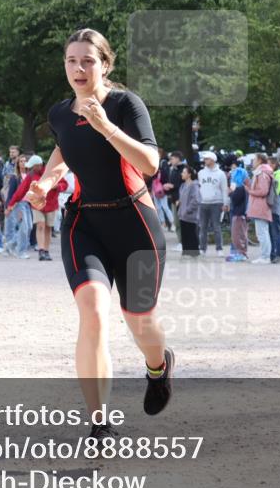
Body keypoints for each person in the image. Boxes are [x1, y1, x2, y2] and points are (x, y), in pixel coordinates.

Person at [24, 29, 171, 441]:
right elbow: (65, 147)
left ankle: (158, 368)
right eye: (71, 61)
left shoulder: (126, 105)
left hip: (136, 225)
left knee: (138, 319)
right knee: (92, 311)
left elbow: (150, 163)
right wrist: (48, 182)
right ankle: (100, 422)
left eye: (87, 60)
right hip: (84, 224)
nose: (79, 68)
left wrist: (105, 125)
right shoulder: (59, 114)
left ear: (105, 65)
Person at [9, 154, 66, 261]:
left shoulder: (52, 171)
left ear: (39, 165)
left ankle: (46, 250)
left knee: (48, 227)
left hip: (51, 204)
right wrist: (11, 203)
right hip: (37, 205)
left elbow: (64, 185)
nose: (31, 168)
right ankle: (41, 250)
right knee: (40, 225)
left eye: (33, 166)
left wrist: (56, 186)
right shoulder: (31, 175)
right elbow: (21, 190)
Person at [196, 151, 227, 257]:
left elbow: (224, 189)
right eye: (204, 159)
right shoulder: (200, 173)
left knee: (216, 227)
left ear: (213, 160)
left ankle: (219, 249)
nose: (205, 161)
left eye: (207, 159)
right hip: (203, 202)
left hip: (216, 203)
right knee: (203, 227)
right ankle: (202, 248)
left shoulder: (220, 174)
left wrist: (225, 203)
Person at [247, 152, 274, 264]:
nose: (252, 162)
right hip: (261, 205)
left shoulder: (262, 173)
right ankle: (265, 256)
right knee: (263, 232)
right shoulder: (263, 172)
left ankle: (265, 257)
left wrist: (250, 191)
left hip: (261, 205)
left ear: (259, 161)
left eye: (254, 159)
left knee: (262, 233)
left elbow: (263, 191)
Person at [226, 163, 249, 262]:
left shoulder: (240, 188)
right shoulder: (243, 188)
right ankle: (239, 252)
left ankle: (241, 253)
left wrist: (231, 192)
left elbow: (235, 200)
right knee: (239, 234)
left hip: (239, 214)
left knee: (237, 235)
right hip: (240, 213)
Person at [177, 165, 201, 256]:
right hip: (182, 215)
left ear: (189, 174)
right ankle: (186, 252)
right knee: (184, 234)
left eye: (184, 172)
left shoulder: (194, 185)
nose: (182, 174)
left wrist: (187, 210)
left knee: (191, 234)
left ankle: (194, 253)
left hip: (190, 215)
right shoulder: (183, 185)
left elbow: (196, 200)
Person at [268, 156, 280, 263]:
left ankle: (278, 254)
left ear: (274, 165)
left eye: (269, 164)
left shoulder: (278, 175)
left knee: (275, 231)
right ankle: (274, 254)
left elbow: (276, 191)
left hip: (274, 208)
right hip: (273, 208)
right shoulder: (276, 174)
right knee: (272, 231)